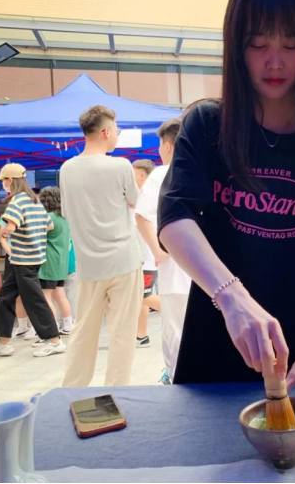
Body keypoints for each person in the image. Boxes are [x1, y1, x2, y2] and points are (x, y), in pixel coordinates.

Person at [158, 0, 295, 430]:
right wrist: (231, 298)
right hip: (215, 340)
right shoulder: (206, 126)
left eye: (291, 45)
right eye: (257, 44)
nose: (275, 62)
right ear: (236, 47)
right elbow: (174, 216)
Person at [61, 105, 143, 388]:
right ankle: (116, 393)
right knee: (122, 334)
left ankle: (71, 391)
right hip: (123, 260)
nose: (117, 135)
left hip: (87, 265)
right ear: (107, 131)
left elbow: (67, 211)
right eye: (116, 130)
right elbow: (135, 201)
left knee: (83, 332)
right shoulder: (120, 165)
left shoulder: (66, 169)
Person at [0, 164, 66, 358]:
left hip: (23, 260)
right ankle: (3, 343)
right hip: (27, 259)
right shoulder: (34, 201)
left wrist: (5, 232)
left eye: (3, 180)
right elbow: (49, 225)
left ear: (10, 181)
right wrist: (33, 233)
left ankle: (55, 341)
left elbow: (10, 227)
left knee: (34, 301)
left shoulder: (18, 201)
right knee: (4, 298)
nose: (3, 184)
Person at [135, 119, 192, 384]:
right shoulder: (206, 171)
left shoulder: (161, 174)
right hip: (208, 272)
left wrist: (157, 251)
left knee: (176, 330)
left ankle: (176, 378)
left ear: (168, 146)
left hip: (176, 269)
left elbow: (142, 216)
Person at [38, 187, 74, 338]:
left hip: (49, 263)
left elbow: (37, 235)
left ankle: (51, 329)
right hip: (61, 263)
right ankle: (68, 325)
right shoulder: (64, 218)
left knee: (45, 296)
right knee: (60, 294)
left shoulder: (49, 218)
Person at [132, 159, 160, 349]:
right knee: (142, 297)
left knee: (142, 296)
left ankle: (186, 314)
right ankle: (141, 336)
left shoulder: (145, 197)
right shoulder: (145, 196)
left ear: (142, 176)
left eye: (132, 174)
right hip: (146, 257)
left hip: (147, 258)